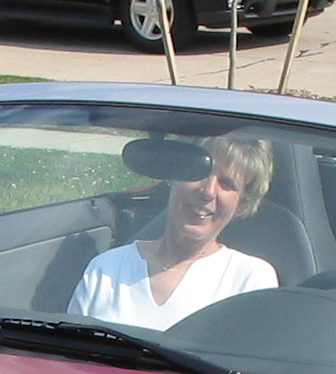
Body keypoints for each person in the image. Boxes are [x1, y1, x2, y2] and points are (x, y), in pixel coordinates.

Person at [70, 135, 278, 330]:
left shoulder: (250, 280)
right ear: (173, 175)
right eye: (200, 173)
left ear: (242, 202)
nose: (208, 191)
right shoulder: (106, 269)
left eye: (227, 184)